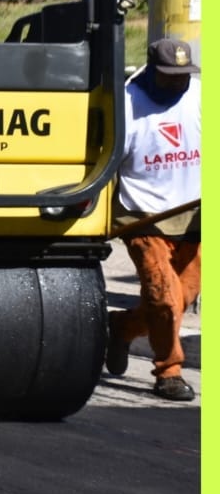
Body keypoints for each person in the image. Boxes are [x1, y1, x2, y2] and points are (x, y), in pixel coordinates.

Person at [105, 37, 201, 402]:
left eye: (183, 75)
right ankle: (169, 371)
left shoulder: (202, 97)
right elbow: (109, 164)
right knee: (163, 298)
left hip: (194, 215)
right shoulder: (127, 104)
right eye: (169, 76)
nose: (178, 82)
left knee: (180, 297)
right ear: (151, 70)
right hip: (144, 216)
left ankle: (123, 327)